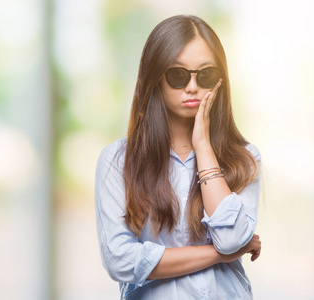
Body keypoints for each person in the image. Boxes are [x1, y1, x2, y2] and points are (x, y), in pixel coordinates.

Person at [94, 15, 262, 300]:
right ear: (156, 77)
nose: (193, 87)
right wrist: (219, 255)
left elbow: (231, 239)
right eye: (178, 75)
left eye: (205, 74)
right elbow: (120, 260)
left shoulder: (243, 158)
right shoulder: (117, 160)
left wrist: (203, 147)